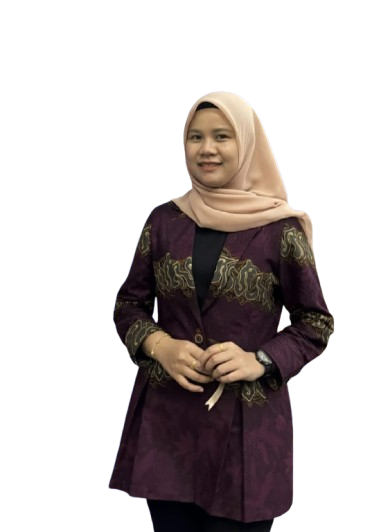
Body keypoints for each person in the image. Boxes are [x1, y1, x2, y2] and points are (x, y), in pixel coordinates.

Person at [108, 91, 335, 531]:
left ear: (247, 143)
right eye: (195, 137)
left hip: (246, 435)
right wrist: (159, 345)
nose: (206, 148)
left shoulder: (279, 228)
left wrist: (259, 359)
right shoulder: (164, 221)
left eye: (221, 136)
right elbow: (128, 305)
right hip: (167, 430)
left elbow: (315, 322)